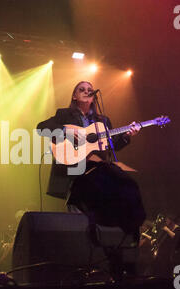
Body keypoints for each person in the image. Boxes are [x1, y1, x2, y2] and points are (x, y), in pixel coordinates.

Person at [36, 81, 146, 236]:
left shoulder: (103, 121)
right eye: (82, 89)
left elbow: (112, 145)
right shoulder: (64, 114)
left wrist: (127, 135)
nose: (87, 92)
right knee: (78, 220)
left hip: (97, 173)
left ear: (94, 97)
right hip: (73, 171)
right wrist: (65, 130)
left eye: (90, 90)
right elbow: (41, 128)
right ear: (74, 96)